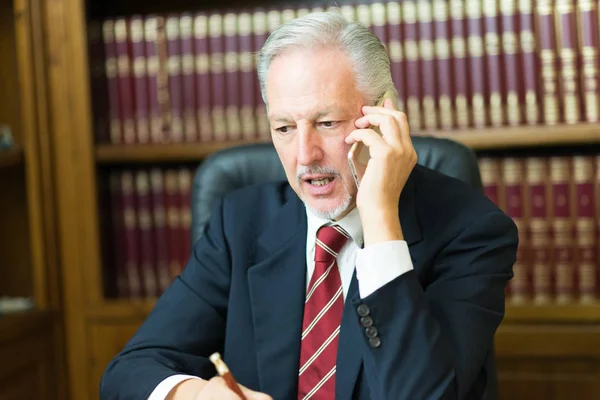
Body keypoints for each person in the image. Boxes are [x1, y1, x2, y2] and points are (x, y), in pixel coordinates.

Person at [100, 9, 517, 400]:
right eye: (284, 127)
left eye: (327, 123)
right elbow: (129, 370)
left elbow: (423, 393)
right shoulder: (240, 223)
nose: (304, 155)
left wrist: (380, 220)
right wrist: (199, 394)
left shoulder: (472, 230)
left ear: (383, 118)